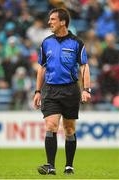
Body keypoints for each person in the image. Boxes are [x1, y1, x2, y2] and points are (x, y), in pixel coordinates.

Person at [33, 8, 91, 175]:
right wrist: (37, 91)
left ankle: (69, 166)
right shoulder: (46, 43)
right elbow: (41, 69)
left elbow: (84, 67)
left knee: (69, 129)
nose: (49, 22)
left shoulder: (77, 43)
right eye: (49, 19)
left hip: (70, 90)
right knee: (51, 125)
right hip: (50, 90)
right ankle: (50, 166)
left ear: (63, 22)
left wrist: (86, 89)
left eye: (53, 19)